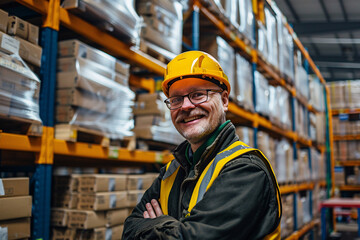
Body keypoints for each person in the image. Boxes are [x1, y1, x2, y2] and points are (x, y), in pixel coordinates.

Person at [123, 51, 282, 239]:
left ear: (224, 100)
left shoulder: (246, 170)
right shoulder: (170, 172)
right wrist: (173, 229)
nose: (186, 106)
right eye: (176, 99)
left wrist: (157, 223)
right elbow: (129, 228)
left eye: (198, 95)